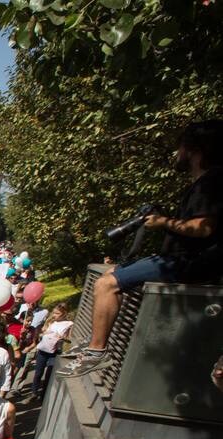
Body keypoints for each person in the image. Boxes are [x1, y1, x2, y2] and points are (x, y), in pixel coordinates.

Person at [61, 120, 223, 377]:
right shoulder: (206, 182)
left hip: (186, 264)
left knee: (106, 284)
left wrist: (163, 222)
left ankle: (96, 352)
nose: (177, 153)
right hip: (179, 259)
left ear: (194, 149)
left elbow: (204, 228)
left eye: (180, 147)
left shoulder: (211, 182)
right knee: (111, 274)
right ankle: (95, 340)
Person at [26, 303, 71, 399]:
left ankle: (44, 395)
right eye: (54, 313)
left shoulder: (69, 324)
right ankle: (34, 392)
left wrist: (62, 337)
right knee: (38, 373)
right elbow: (41, 333)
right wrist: (44, 333)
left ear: (64, 314)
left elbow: (69, 339)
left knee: (49, 374)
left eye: (57, 313)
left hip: (55, 351)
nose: (54, 315)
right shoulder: (51, 322)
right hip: (43, 349)